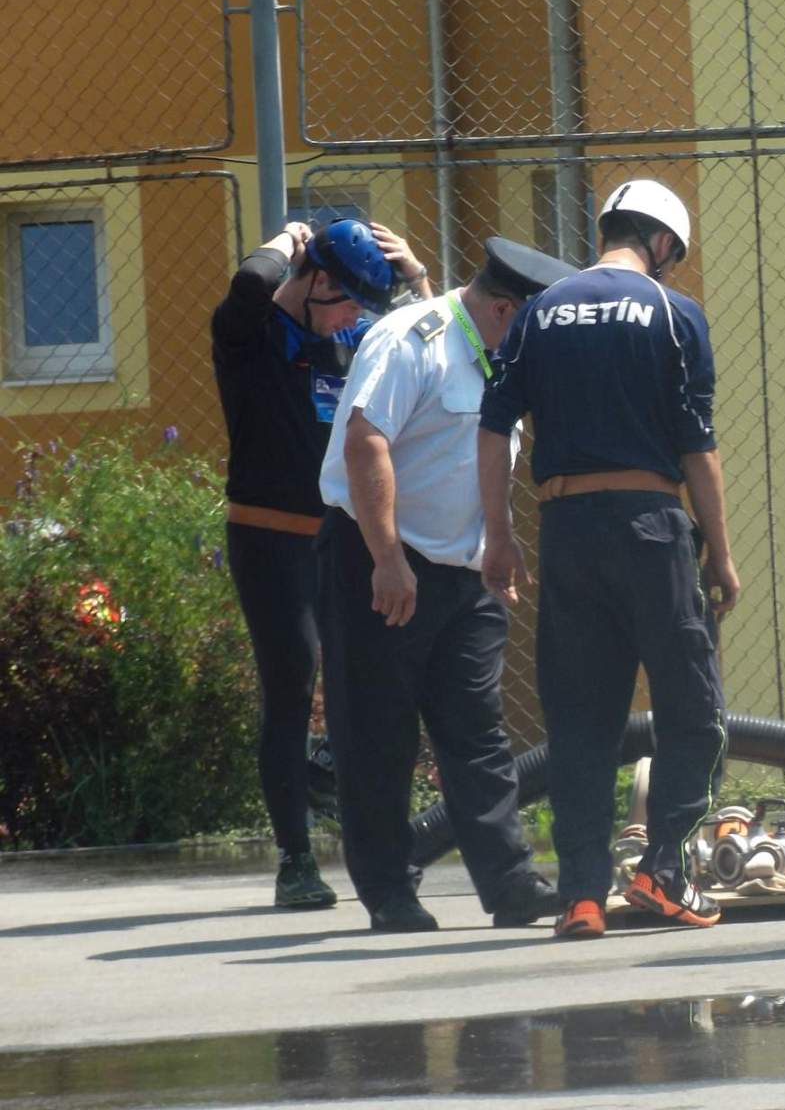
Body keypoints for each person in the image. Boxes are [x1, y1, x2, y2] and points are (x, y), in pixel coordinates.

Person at [478, 180, 739, 940]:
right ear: (661, 243)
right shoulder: (672, 313)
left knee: (581, 722)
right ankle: (664, 873)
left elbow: (493, 429)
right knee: (695, 713)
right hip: (651, 529)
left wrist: (499, 534)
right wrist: (721, 554)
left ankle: (583, 897)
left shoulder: (539, 312)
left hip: (565, 530)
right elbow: (697, 446)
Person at [316, 237, 573, 932]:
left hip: (464, 576)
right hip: (381, 562)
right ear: (504, 310)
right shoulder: (412, 340)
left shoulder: (499, 357)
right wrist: (387, 558)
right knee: (379, 734)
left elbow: (477, 460)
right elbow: (365, 441)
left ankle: (511, 885)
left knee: (476, 733)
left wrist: (497, 545)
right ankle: (389, 893)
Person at [211, 217, 430, 909]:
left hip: (340, 538)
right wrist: (289, 242)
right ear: (318, 282)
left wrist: (418, 277)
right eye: (346, 303)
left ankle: (351, 803)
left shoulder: (354, 342)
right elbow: (250, 282)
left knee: (377, 681)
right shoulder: (252, 336)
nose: (353, 319)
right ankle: (296, 861)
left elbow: (434, 345)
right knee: (292, 680)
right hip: (269, 537)